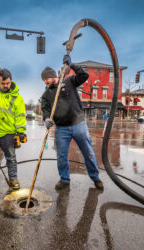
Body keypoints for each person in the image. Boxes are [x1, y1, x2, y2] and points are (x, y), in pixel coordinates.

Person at [40, 55, 103, 190]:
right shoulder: (46, 94)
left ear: (52, 76)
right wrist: (46, 118)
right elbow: (44, 109)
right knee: (61, 156)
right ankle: (64, 179)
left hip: (78, 125)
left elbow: (84, 76)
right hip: (61, 129)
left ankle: (95, 177)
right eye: (43, 80)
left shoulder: (69, 81)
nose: (45, 81)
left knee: (88, 153)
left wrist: (72, 65)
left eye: (46, 78)